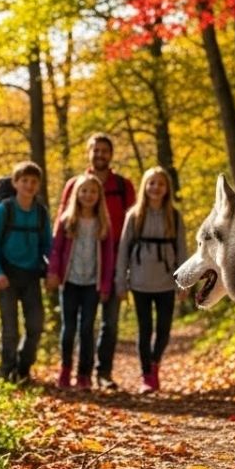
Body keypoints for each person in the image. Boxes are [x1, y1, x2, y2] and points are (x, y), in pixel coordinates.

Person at [58, 133, 135, 389]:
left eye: (105, 150)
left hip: (114, 261)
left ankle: (103, 373)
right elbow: (62, 225)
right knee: (80, 325)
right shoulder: (74, 184)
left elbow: (133, 225)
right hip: (79, 268)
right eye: (96, 150)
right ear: (88, 153)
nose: (100, 154)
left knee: (109, 322)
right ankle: (80, 372)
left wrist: (129, 267)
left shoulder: (124, 186)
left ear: (111, 155)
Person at [116, 167, 187, 393]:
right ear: (144, 187)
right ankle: (147, 375)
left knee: (164, 329)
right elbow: (123, 251)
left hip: (166, 281)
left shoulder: (174, 217)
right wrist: (121, 282)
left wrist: (183, 282)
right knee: (144, 329)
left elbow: (182, 251)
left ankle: (155, 364)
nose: (156, 188)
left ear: (167, 189)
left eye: (160, 184)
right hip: (139, 281)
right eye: (151, 183)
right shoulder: (134, 216)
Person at [0, 161, 51, 382]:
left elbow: (48, 246)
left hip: (31, 276)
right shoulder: (4, 210)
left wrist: (53, 270)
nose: (29, 186)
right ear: (15, 183)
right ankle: (7, 371)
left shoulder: (41, 213)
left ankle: (23, 368)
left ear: (38, 186)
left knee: (35, 326)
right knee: (10, 330)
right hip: (7, 276)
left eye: (33, 182)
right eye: (24, 181)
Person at [46, 173, 115, 390]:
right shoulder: (68, 220)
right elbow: (56, 249)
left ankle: (83, 374)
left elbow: (109, 258)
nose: (88, 195)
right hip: (69, 283)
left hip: (91, 285)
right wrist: (53, 273)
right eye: (84, 190)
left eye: (93, 191)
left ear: (99, 196)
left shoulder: (103, 224)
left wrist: (105, 286)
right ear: (77, 194)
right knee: (68, 329)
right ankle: (65, 370)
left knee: (86, 329)